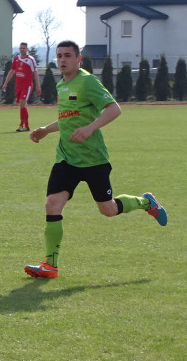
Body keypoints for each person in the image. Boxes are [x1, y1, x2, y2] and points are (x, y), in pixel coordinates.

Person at [24, 40, 167, 278]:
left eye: (67, 55)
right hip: (66, 158)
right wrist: (46, 130)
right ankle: (50, 265)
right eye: (59, 56)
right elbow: (68, 119)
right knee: (52, 205)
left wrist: (90, 129)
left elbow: (114, 109)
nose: (62, 60)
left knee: (108, 210)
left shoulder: (88, 81)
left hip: (93, 159)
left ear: (78, 59)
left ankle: (146, 202)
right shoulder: (61, 85)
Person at [0, 42, 41, 132]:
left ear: (27, 49)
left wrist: (38, 86)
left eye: (24, 48)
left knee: (22, 103)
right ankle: (27, 126)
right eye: (21, 48)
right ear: (19, 49)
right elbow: (11, 71)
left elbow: (35, 73)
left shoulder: (31, 59)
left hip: (27, 86)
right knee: (22, 105)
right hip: (18, 86)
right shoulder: (16, 59)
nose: (22, 49)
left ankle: (21, 125)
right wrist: (5, 83)